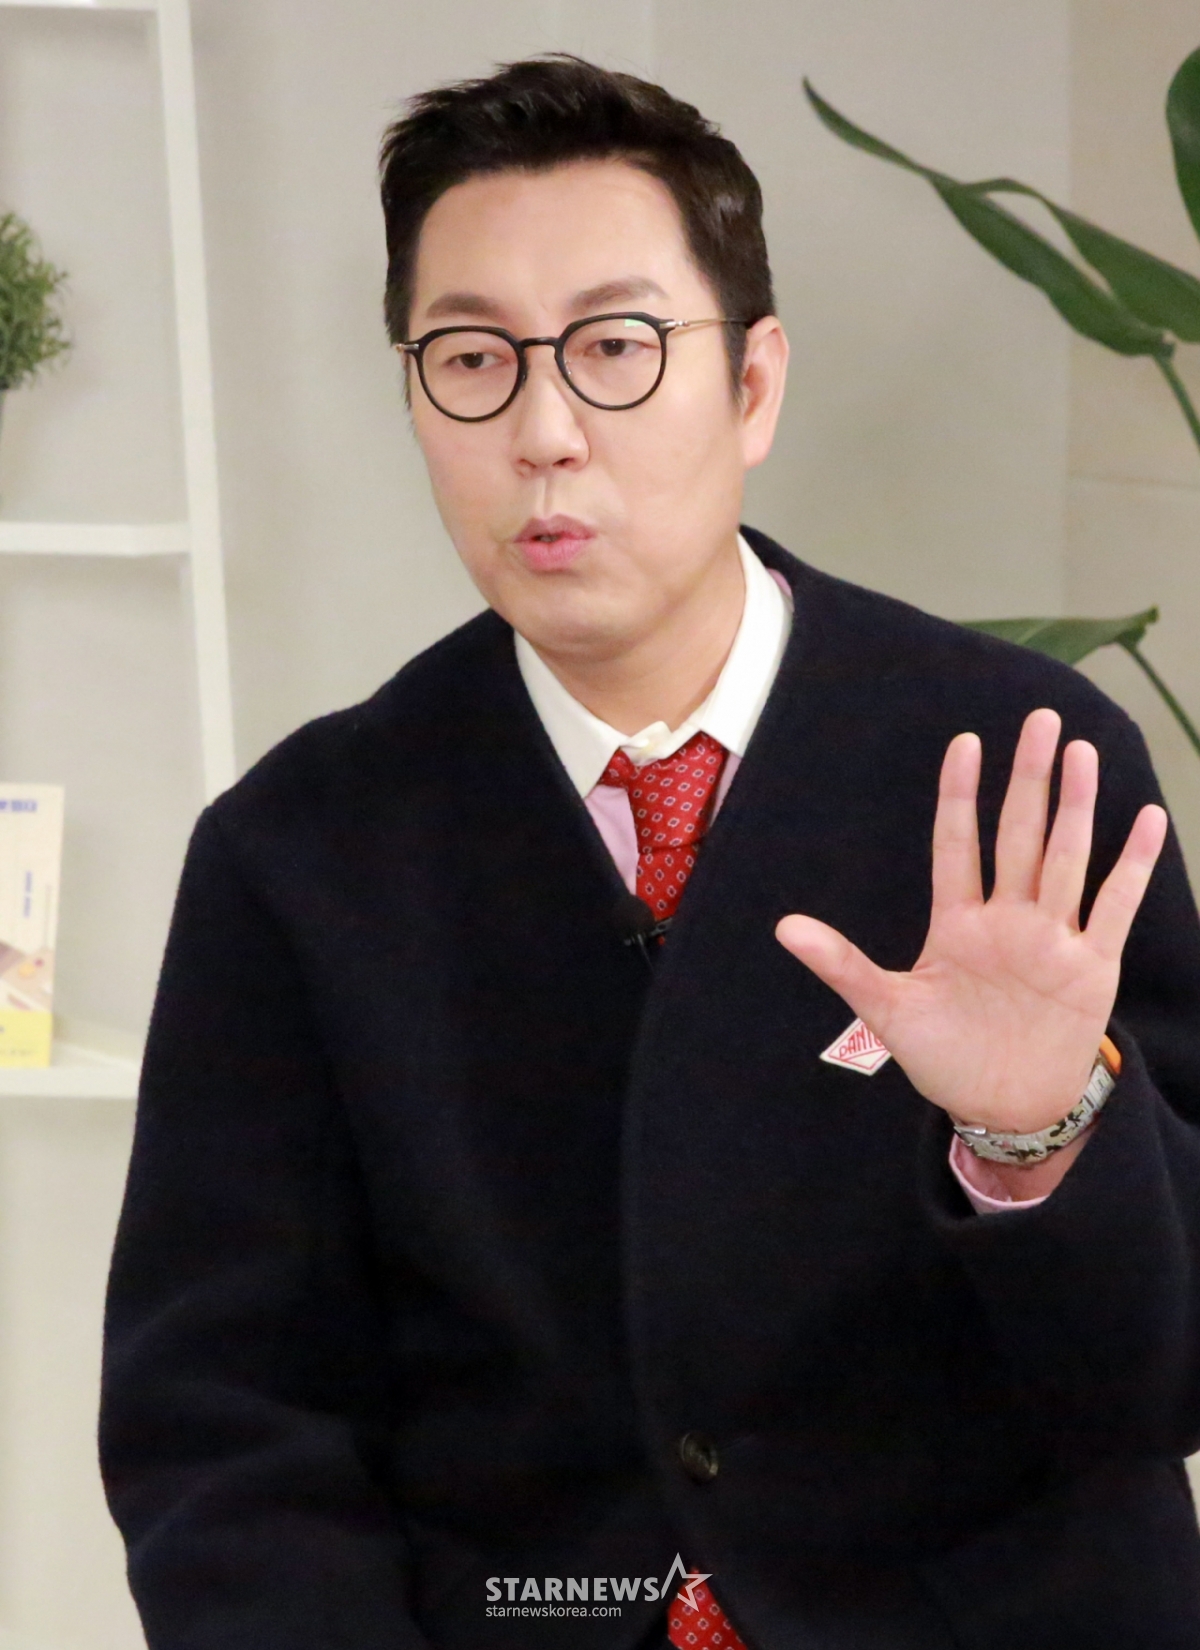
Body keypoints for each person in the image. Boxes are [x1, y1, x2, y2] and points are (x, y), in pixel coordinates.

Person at [98, 53, 1200, 1650]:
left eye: (615, 348)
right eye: (471, 359)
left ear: (753, 385)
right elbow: (226, 1424)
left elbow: (1157, 1383)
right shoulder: (298, 855)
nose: (544, 431)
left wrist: (1041, 1135)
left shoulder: (1023, 771)